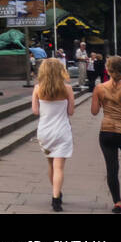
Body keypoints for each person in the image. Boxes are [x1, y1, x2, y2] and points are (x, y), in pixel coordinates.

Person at [91, 55, 121, 212]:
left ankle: (117, 202)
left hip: (107, 132)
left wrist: (100, 101)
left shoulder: (99, 88)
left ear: (108, 69)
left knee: (112, 168)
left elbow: (94, 112)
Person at [33, 57, 74, 211]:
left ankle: (56, 192)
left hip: (44, 131)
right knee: (59, 168)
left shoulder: (38, 88)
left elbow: (35, 111)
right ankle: (56, 198)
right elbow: (71, 111)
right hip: (62, 130)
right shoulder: (67, 89)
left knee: (50, 164)